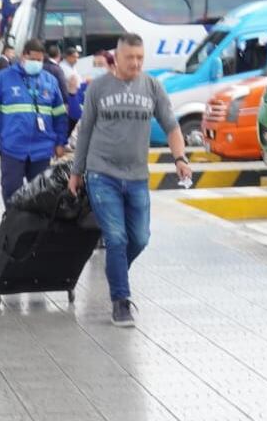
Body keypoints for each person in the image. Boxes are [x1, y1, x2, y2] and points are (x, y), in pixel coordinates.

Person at [69, 34, 190, 327]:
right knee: (116, 238)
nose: (135, 63)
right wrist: (77, 172)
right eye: (129, 58)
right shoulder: (98, 88)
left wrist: (180, 159)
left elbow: (172, 126)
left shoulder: (152, 87)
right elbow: (84, 132)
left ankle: (116, 269)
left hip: (137, 176)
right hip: (102, 174)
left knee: (139, 238)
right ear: (117, 58)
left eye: (140, 58)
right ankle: (120, 302)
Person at [0, 39, 67, 205]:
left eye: (40, 60)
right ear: (23, 57)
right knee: (11, 191)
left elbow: (59, 116)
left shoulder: (50, 81)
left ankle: (36, 229)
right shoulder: (3, 78)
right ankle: (12, 226)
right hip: (12, 147)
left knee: (42, 194)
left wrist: (60, 142)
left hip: (42, 149)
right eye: (33, 59)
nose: (36, 63)